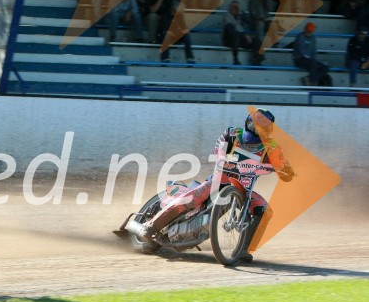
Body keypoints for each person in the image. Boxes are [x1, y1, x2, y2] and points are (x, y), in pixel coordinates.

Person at [126, 109, 294, 263]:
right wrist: (222, 156)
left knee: (264, 210)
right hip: (220, 179)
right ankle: (152, 225)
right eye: (256, 124)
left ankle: (243, 249)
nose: (258, 129)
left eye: (263, 126)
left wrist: (286, 170)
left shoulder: (271, 147)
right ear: (249, 122)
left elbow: (285, 169)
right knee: (196, 196)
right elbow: (218, 147)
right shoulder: (233, 133)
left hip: (245, 189)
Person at [223, 1, 262, 65]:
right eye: (233, 7)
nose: (234, 9)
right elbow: (230, 31)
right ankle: (235, 59)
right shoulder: (227, 16)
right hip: (228, 39)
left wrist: (242, 13)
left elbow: (250, 23)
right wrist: (244, 35)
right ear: (230, 7)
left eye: (236, 7)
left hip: (240, 39)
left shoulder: (240, 15)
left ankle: (257, 60)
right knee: (235, 36)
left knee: (256, 40)